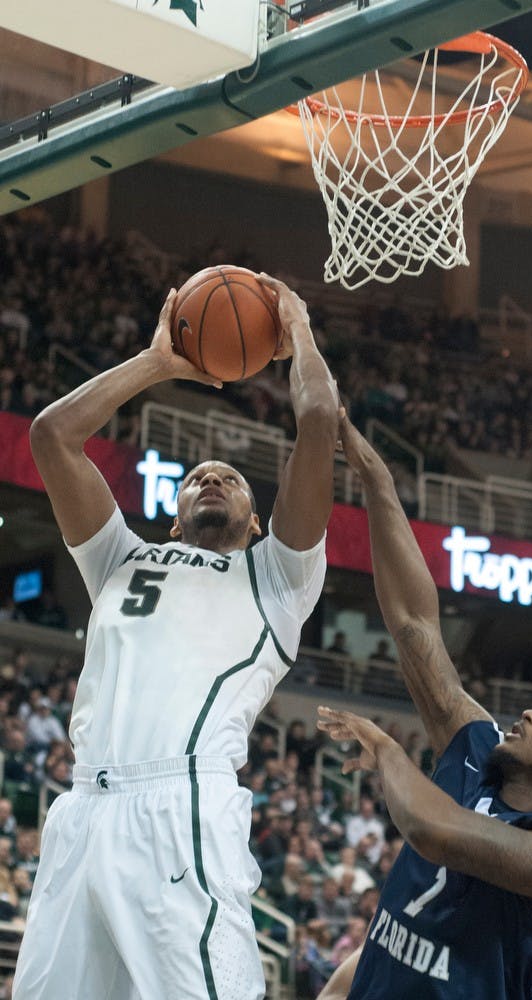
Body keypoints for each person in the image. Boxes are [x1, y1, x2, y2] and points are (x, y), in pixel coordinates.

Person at [13, 274, 338, 1000]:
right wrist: (160, 362)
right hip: (82, 816)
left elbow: (318, 425)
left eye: (230, 479)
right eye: (198, 478)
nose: (213, 480)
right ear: (172, 516)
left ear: (259, 521)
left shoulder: (277, 579)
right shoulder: (119, 560)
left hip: (179, 810)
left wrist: (300, 331)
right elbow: (52, 437)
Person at [316, 412, 532, 1000]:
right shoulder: (475, 748)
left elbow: (435, 833)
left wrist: (390, 750)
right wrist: (378, 484)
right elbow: (417, 625)